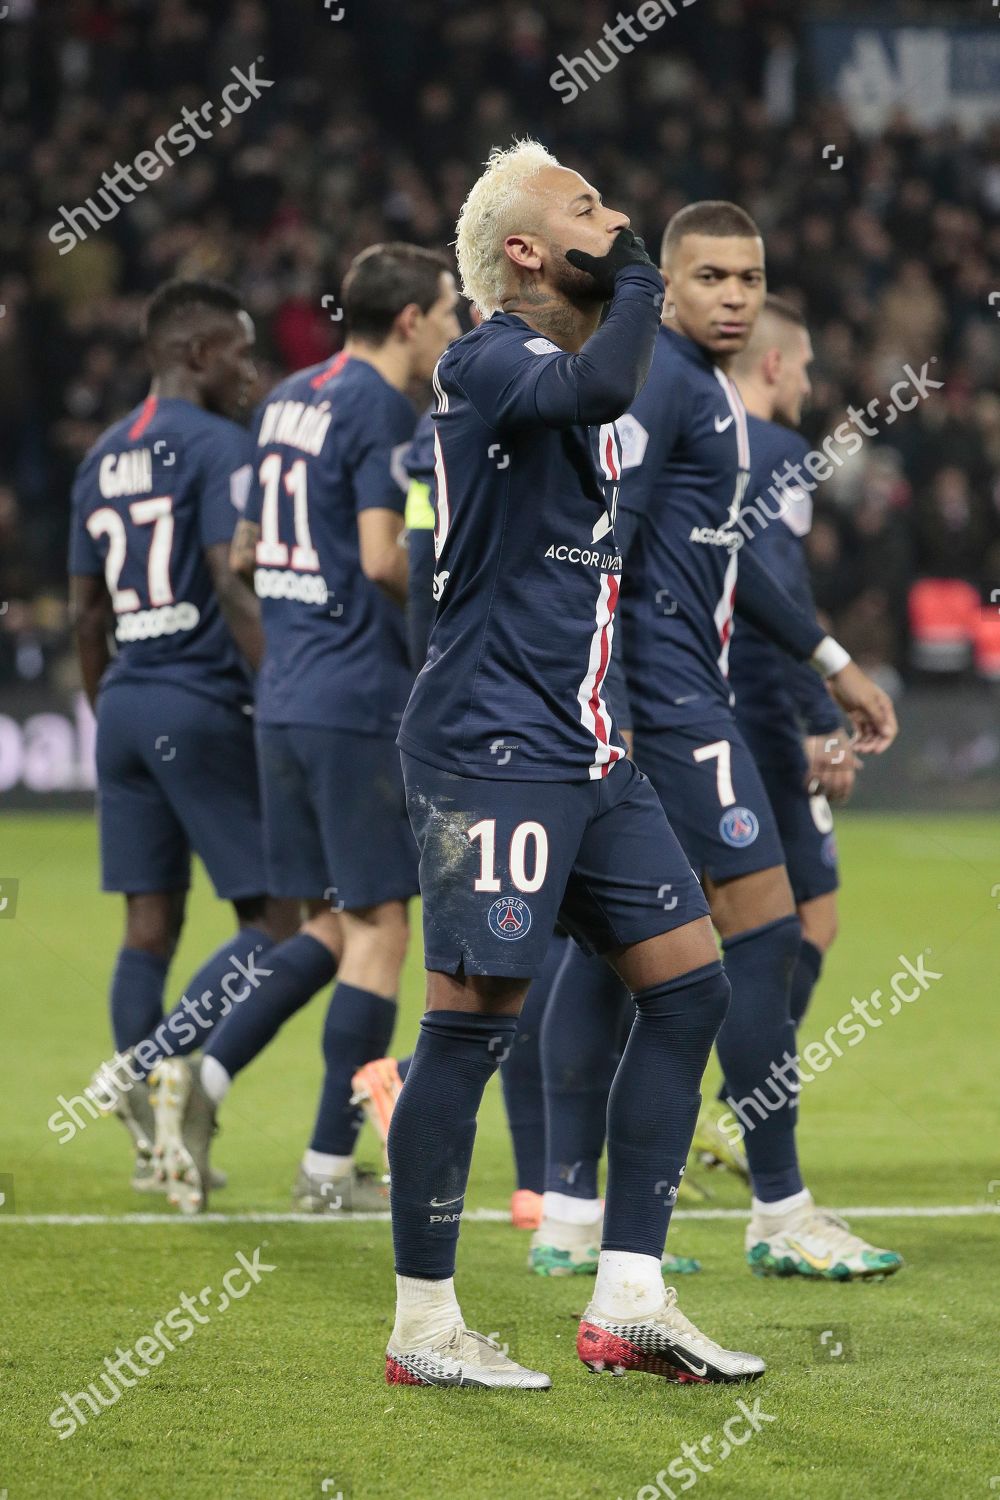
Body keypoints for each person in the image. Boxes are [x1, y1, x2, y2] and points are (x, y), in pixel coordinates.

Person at [384, 140, 765, 1390]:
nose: (620, 219)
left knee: (690, 986)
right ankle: (426, 1325)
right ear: (529, 253)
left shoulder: (580, 362)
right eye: (592, 208)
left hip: (591, 750)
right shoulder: (488, 352)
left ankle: (630, 1301)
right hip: (493, 751)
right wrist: (649, 281)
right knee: (468, 1025)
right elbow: (599, 393)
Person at [598, 202, 901, 1281]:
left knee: (648, 965)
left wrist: (834, 663)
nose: (733, 295)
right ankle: (775, 1207)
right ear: (667, 284)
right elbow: (607, 547)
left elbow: (737, 569)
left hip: (694, 698)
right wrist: (621, 710)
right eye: (711, 276)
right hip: (667, 705)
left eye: (749, 278)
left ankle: (588, 1213)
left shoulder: (713, 394)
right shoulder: (662, 382)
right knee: (759, 935)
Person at [147, 243, 461, 1215]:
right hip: (357, 697)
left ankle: (194, 1076)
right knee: (381, 931)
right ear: (408, 320)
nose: (457, 328)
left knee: (322, 924)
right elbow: (380, 558)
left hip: (284, 694)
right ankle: (325, 1166)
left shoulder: (285, 397)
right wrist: (461, 593)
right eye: (449, 310)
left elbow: (242, 552)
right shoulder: (380, 411)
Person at [71, 279, 296, 1196]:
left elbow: (87, 616)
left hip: (124, 702)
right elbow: (230, 580)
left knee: (147, 927)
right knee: (280, 921)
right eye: (241, 350)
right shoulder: (219, 447)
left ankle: (150, 1149)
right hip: (201, 701)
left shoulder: (97, 456)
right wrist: (279, 698)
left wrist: (109, 711)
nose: (252, 368)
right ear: (198, 352)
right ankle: (157, 1065)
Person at [728, 295, 854, 1031]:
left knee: (640, 937)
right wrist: (820, 718)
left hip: (661, 711)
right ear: (774, 364)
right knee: (810, 916)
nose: (808, 386)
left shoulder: (677, 431)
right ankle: (742, 1114)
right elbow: (776, 594)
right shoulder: (776, 453)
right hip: (758, 712)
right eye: (804, 368)